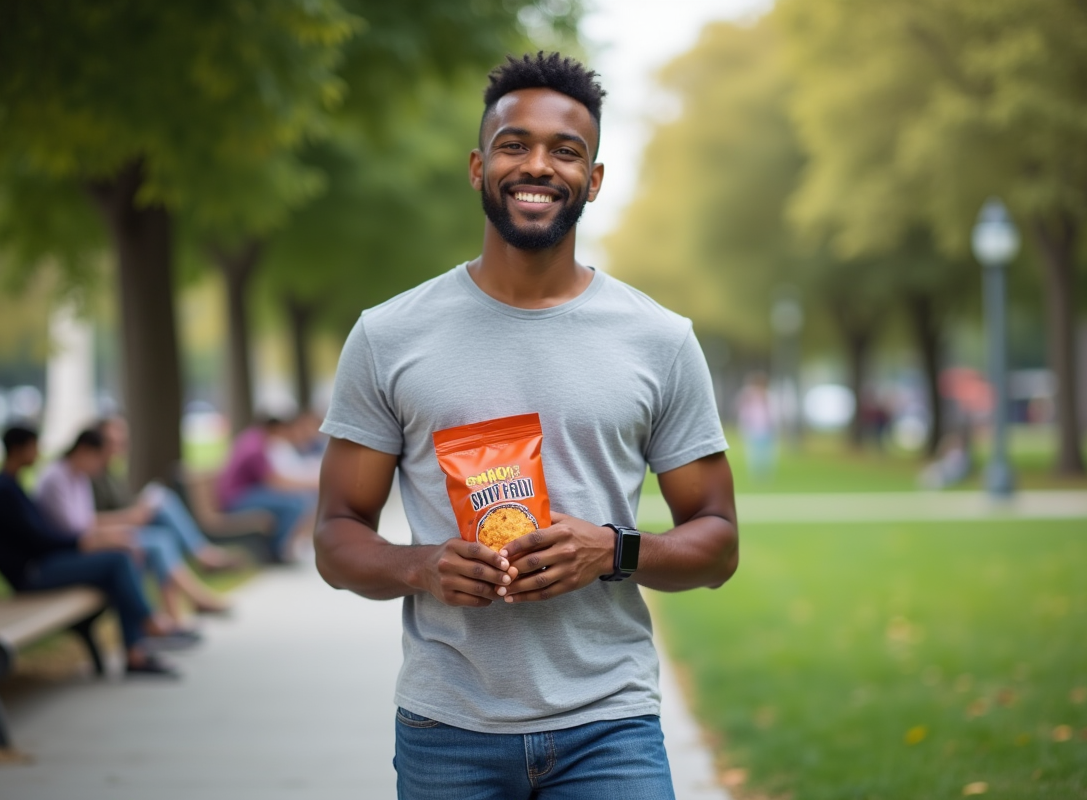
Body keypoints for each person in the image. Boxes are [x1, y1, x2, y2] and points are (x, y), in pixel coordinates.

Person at [314, 52, 738, 799]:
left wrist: (614, 549)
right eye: (515, 145)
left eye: (564, 151)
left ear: (594, 180)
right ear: (479, 167)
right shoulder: (388, 336)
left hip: (610, 726)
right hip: (447, 728)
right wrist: (421, 567)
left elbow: (718, 541)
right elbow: (336, 535)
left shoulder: (660, 340)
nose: (537, 165)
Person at [0, 424, 182, 676]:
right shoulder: (4, 491)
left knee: (120, 566)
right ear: (17, 449)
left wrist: (96, 540)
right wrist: (84, 543)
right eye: (34, 446)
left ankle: (135, 652)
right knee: (118, 561)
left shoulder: (11, 485)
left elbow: (44, 535)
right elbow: (39, 539)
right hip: (30, 574)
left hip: (43, 564)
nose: (38, 452)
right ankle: (149, 624)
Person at [36, 429, 230, 628]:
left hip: (89, 540)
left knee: (158, 534)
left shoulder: (80, 475)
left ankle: (171, 619)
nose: (103, 462)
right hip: (72, 550)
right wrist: (121, 528)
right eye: (100, 456)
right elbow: (75, 528)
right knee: (139, 550)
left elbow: (85, 522)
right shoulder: (57, 478)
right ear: (85, 450)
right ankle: (156, 624)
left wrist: (124, 524)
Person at [92, 415, 244, 572]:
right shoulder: (92, 475)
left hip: (129, 523)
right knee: (162, 531)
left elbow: (122, 503)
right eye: (113, 441)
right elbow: (89, 521)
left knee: (163, 500)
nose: (120, 446)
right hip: (116, 532)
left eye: (122, 441)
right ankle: (203, 556)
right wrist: (130, 516)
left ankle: (203, 555)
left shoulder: (110, 472)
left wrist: (141, 506)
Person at [217, 416, 315, 562]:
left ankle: (281, 548)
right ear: (276, 429)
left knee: (296, 501)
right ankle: (277, 551)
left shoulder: (253, 439)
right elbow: (273, 481)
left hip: (243, 494)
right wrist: (310, 484)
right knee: (295, 504)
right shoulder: (255, 448)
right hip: (236, 499)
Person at [736, 371, 777, 481]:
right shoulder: (748, 397)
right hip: (753, 430)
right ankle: (756, 475)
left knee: (767, 454)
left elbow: (774, 413)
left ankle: (766, 475)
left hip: (767, 430)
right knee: (754, 454)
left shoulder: (768, 396)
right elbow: (744, 414)